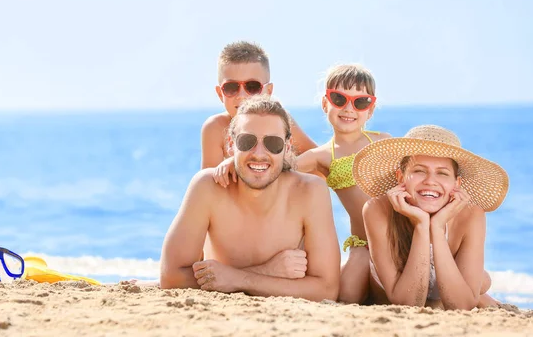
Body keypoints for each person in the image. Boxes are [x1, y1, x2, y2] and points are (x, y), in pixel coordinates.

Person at [215, 63, 390, 303]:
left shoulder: (383, 142)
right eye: (339, 99)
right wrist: (233, 163)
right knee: (346, 295)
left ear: (370, 110)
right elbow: (275, 167)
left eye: (360, 102)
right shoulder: (321, 156)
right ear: (325, 103)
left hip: (396, 235)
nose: (349, 108)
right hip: (364, 244)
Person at [160, 95, 340, 302]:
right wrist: (267, 271)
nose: (259, 154)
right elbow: (171, 276)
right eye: (247, 141)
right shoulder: (207, 187)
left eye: (273, 143)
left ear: (288, 147)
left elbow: (327, 289)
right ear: (230, 144)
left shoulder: (309, 191)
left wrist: (238, 278)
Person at [354, 125, 509, 309]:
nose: (430, 181)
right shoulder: (376, 210)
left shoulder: (471, 215)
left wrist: (437, 226)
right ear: (401, 177)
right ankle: (471, 292)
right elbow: (408, 303)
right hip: (397, 291)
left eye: (442, 173)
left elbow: (463, 306)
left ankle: (474, 289)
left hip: (446, 286)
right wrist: (421, 225)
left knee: (481, 282)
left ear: (456, 184)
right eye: (419, 171)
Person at [201, 41, 317, 170]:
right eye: (231, 87)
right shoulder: (215, 128)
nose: (242, 95)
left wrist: (282, 164)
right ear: (219, 93)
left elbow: (319, 160)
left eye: (252, 87)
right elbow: (209, 183)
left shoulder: (279, 121)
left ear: (268, 91)